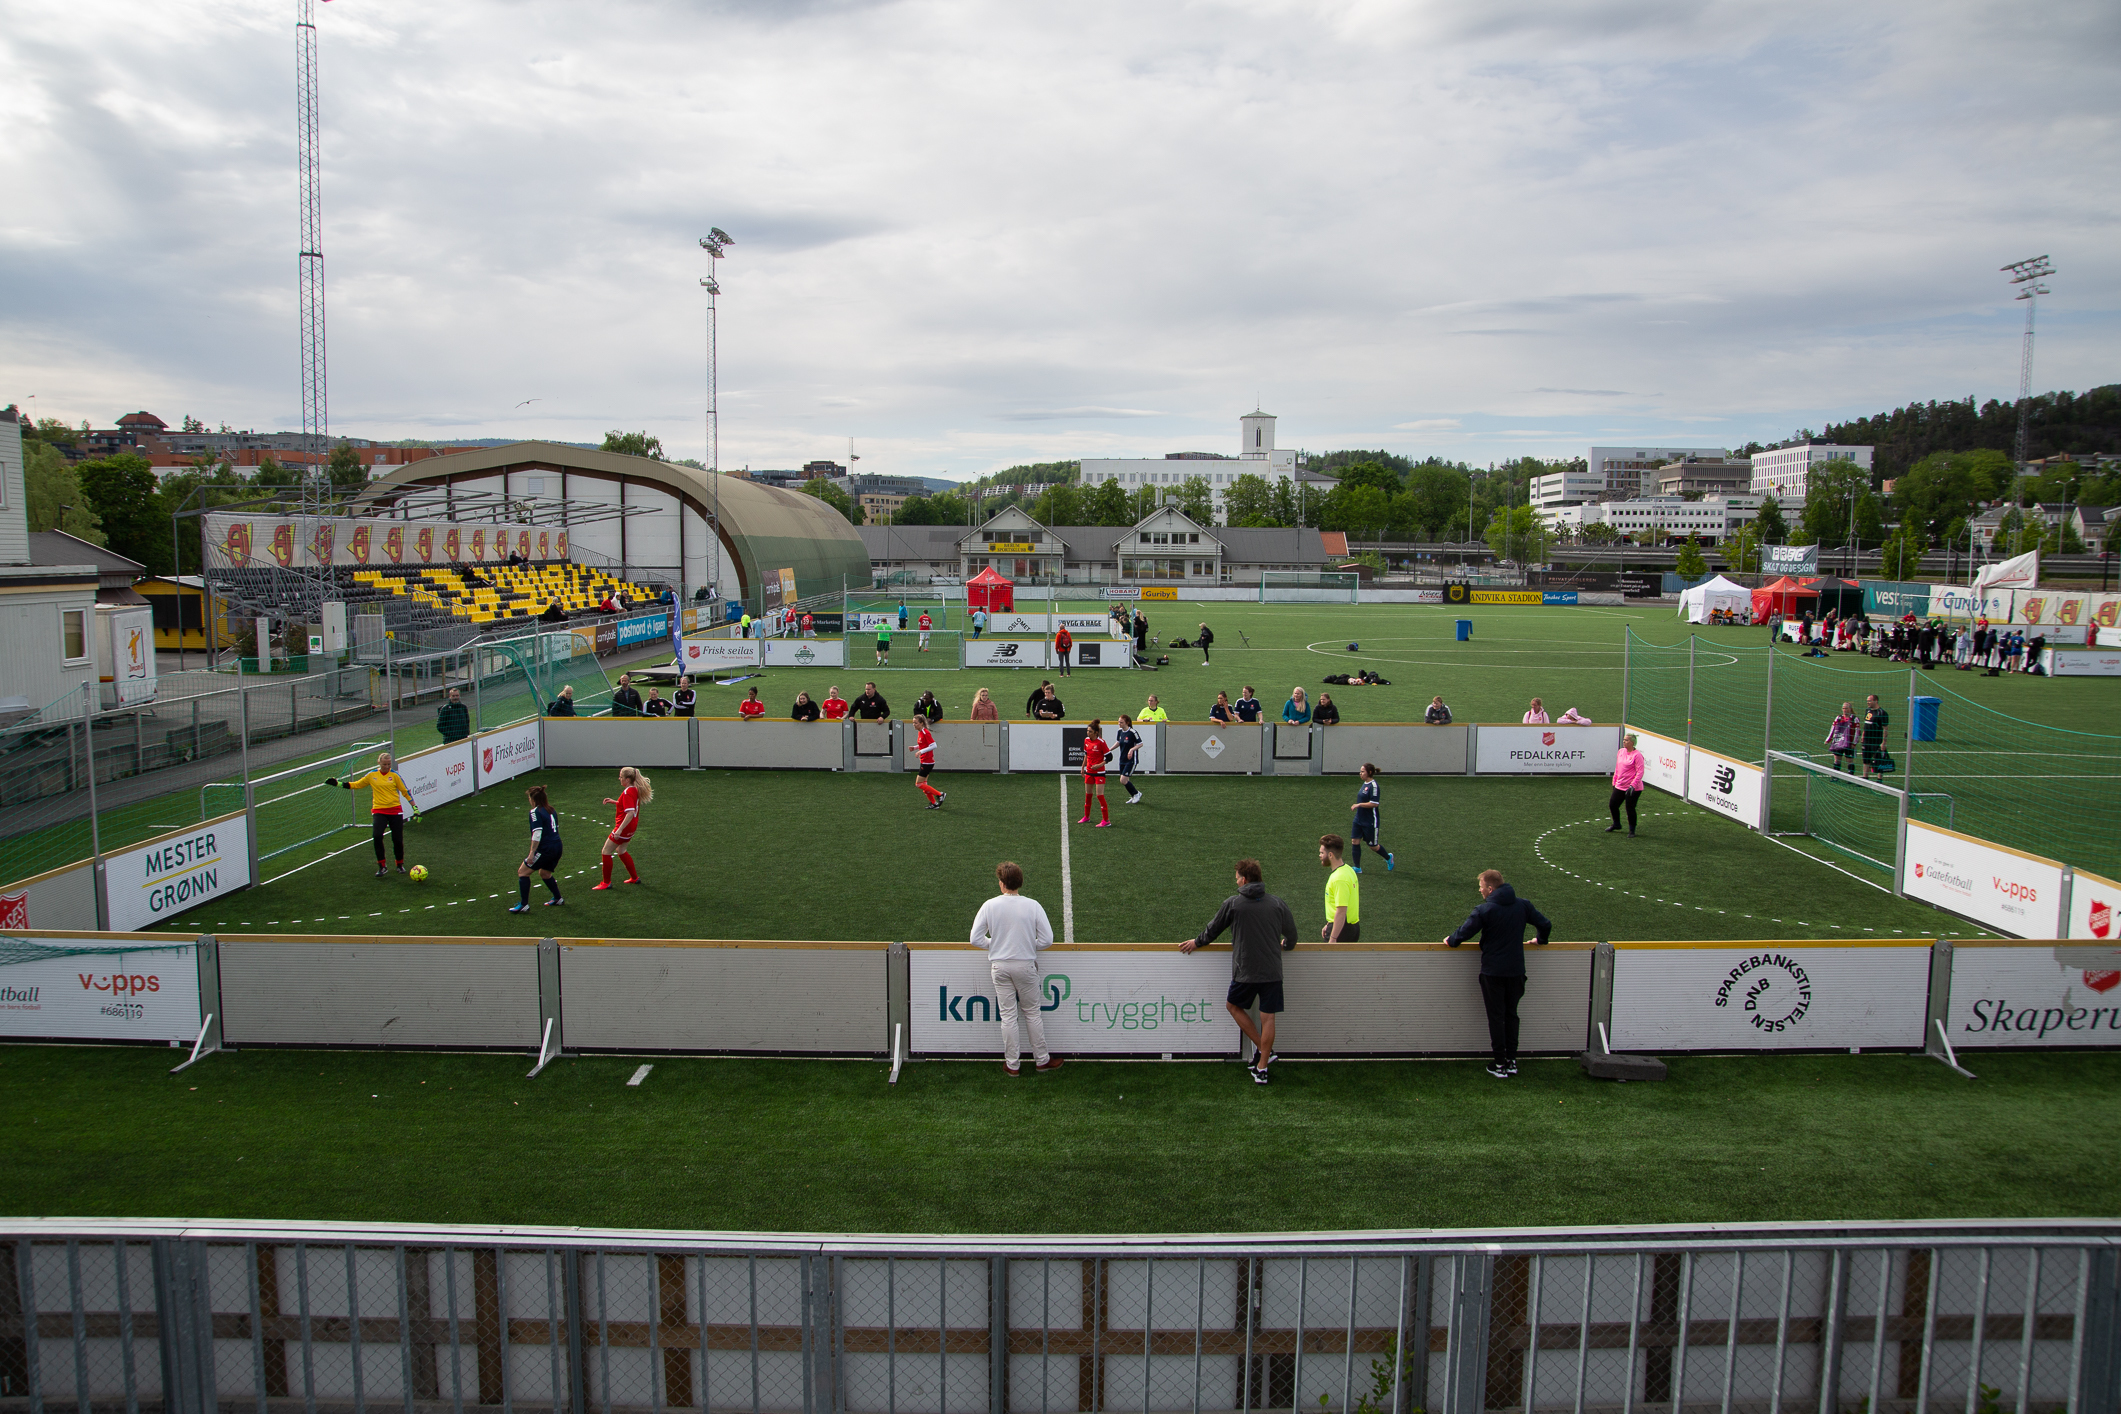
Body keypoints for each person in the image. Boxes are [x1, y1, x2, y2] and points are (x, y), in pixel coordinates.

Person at [1179, 858, 1298, 1085]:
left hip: (1245, 971)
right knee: (1268, 1017)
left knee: (1233, 1006)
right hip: (1272, 970)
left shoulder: (1233, 904)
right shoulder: (1277, 904)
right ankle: (1263, 1063)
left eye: (1236, 879)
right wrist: (1287, 946)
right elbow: (1292, 935)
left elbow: (1213, 930)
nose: (1236, 883)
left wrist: (1196, 942)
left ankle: (1265, 1054)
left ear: (1244, 880)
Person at [1445, 869, 1553, 1079]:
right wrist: (1541, 940)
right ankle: (1511, 1061)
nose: (1480, 891)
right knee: (1511, 1015)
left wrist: (1451, 940)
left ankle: (1499, 1063)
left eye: (1481, 887)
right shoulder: (1523, 905)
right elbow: (1545, 924)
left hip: (1493, 972)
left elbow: (1464, 933)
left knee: (1496, 1017)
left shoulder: (1485, 910)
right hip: (1516, 971)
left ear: (1490, 888)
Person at [968, 861, 1059, 1075]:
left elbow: (975, 939)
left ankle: (1012, 1064)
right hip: (1025, 965)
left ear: (1002, 883)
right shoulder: (1033, 905)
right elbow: (1047, 939)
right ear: (1019, 882)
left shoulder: (989, 905)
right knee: (1032, 1014)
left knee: (1008, 1016)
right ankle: (1042, 1060)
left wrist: (996, 944)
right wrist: (1026, 944)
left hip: (1000, 966)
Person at [327, 750, 419, 878]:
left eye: (389, 764)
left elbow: (405, 791)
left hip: (395, 811)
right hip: (379, 811)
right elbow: (357, 785)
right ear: (379, 763)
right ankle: (382, 866)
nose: (387, 767)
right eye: (384, 764)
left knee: (397, 839)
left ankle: (399, 864)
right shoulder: (372, 775)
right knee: (376, 836)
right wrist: (338, 784)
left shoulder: (395, 776)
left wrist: (415, 808)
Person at [509, 784, 565, 913]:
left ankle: (524, 905)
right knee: (544, 873)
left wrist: (532, 853)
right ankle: (558, 898)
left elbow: (537, 833)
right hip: (557, 846)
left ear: (533, 799)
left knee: (523, 872)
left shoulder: (535, 812)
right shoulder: (551, 810)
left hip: (546, 848)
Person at [594, 766, 650, 889]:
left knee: (606, 851)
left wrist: (619, 830)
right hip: (632, 828)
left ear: (627, 779)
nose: (619, 779)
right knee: (621, 850)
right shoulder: (635, 790)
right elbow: (630, 806)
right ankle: (635, 878)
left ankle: (606, 882)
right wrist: (615, 802)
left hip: (624, 828)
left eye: (621, 777)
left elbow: (629, 813)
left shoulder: (627, 792)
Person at [1350, 763, 1392, 872]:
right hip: (1358, 819)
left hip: (1370, 821)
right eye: (1360, 771)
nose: (1360, 773)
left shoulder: (1374, 786)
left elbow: (1374, 803)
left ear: (1369, 773)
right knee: (1355, 841)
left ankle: (1388, 857)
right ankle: (1357, 867)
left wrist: (1359, 805)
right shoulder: (1365, 784)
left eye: (1362, 771)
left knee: (1373, 846)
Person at [1319, 834, 1358, 942]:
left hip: (1341, 931)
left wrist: (1333, 938)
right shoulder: (1348, 870)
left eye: (1322, 853)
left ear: (1330, 855)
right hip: (1351, 927)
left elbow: (1341, 911)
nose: (1319, 855)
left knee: (1329, 959)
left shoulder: (1338, 878)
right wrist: (1329, 923)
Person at [1607, 733, 1646, 835]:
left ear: (1632, 743)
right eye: (1624, 740)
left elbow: (1640, 772)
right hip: (1620, 785)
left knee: (1630, 808)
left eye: (1627, 740)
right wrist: (1614, 781)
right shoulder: (1621, 752)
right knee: (1613, 804)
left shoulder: (1637, 755)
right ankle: (1616, 824)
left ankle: (1632, 830)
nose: (1624, 742)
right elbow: (1617, 768)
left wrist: (1633, 785)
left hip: (1633, 787)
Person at [1078, 719, 1111, 826]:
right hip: (1089, 771)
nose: (1088, 733)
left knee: (1099, 795)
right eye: (1087, 731)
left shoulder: (1101, 742)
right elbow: (1086, 755)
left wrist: (1100, 765)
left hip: (1100, 772)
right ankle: (1086, 817)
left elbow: (1109, 756)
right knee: (1088, 795)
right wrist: (1083, 767)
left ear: (1096, 732)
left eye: (1090, 731)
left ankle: (1106, 820)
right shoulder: (1086, 740)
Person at [912, 712, 947, 809]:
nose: (914, 725)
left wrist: (920, 752)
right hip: (924, 761)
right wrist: (915, 748)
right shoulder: (920, 732)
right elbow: (923, 744)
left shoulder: (925, 732)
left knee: (918, 784)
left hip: (927, 762)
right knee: (924, 785)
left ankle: (940, 794)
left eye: (916, 723)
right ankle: (934, 804)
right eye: (913, 723)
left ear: (921, 723)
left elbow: (933, 745)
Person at [1114, 713, 1144, 804]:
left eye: (1121, 722)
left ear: (1127, 722)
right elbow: (1118, 742)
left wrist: (1131, 750)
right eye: (1119, 722)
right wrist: (1109, 749)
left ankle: (1136, 794)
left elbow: (1140, 744)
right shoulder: (1120, 732)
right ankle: (1134, 794)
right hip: (1122, 759)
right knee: (1124, 780)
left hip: (1131, 760)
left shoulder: (1132, 732)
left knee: (1123, 780)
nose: (1119, 724)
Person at [1860, 693, 1891, 779]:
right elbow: (1866, 724)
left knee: (1878, 759)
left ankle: (1879, 779)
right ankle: (1865, 777)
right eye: (1867, 701)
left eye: (1869, 701)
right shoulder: (1867, 711)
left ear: (1875, 701)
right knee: (1866, 759)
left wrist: (1884, 742)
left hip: (1876, 741)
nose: (1868, 702)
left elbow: (1885, 728)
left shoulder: (1882, 713)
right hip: (1866, 740)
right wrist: (1863, 735)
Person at [1826, 703, 1857, 774]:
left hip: (1849, 743)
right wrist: (1829, 739)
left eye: (1846, 708)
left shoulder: (1854, 719)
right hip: (1838, 742)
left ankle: (1850, 778)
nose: (1844, 710)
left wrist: (1854, 743)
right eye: (1843, 708)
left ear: (1850, 709)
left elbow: (1857, 732)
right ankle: (1835, 776)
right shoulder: (1839, 718)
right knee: (1837, 760)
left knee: (1849, 760)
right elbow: (1833, 728)